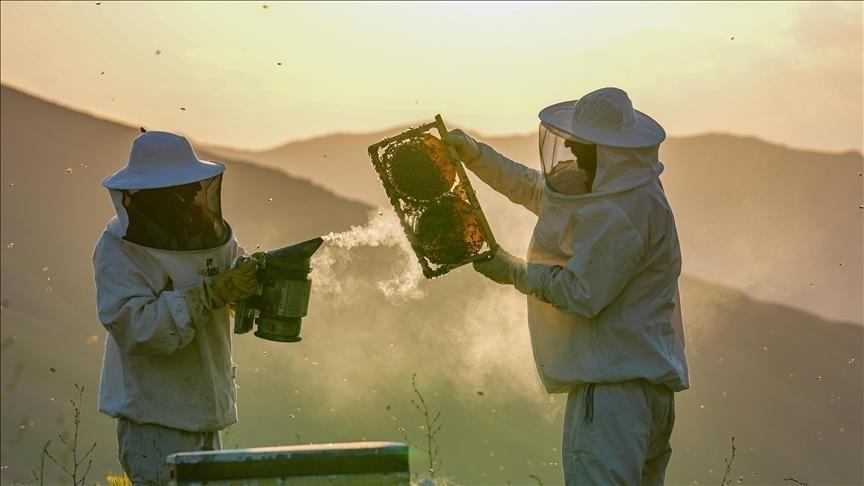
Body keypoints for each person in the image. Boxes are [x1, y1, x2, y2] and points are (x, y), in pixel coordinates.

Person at [443, 87, 689, 485]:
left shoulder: (620, 213)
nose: (571, 150)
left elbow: (582, 294)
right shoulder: (626, 191)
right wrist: (476, 156)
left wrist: (515, 272)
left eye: (581, 144)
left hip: (612, 394)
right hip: (645, 389)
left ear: (607, 150)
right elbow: (535, 189)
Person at [93, 130, 258, 484]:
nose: (186, 201)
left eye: (190, 190)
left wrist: (252, 279)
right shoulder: (118, 250)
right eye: (175, 195)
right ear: (146, 196)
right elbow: (138, 330)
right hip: (155, 422)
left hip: (205, 413)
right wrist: (208, 294)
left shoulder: (207, 233)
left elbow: (233, 271)